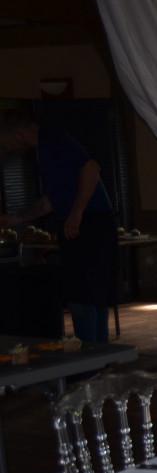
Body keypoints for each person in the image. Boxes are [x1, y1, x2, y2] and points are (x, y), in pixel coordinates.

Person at [0, 109, 118, 343]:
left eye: (4, 141)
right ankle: (96, 354)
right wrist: (14, 219)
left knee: (84, 295)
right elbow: (51, 201)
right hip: (85, 223)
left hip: (91, 224)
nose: (6, 149)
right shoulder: (44, 151)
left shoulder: (53, 140)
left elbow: (91, 169)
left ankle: (92, 356)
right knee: (88, 295)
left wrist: (76, 214)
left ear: (18, 133)